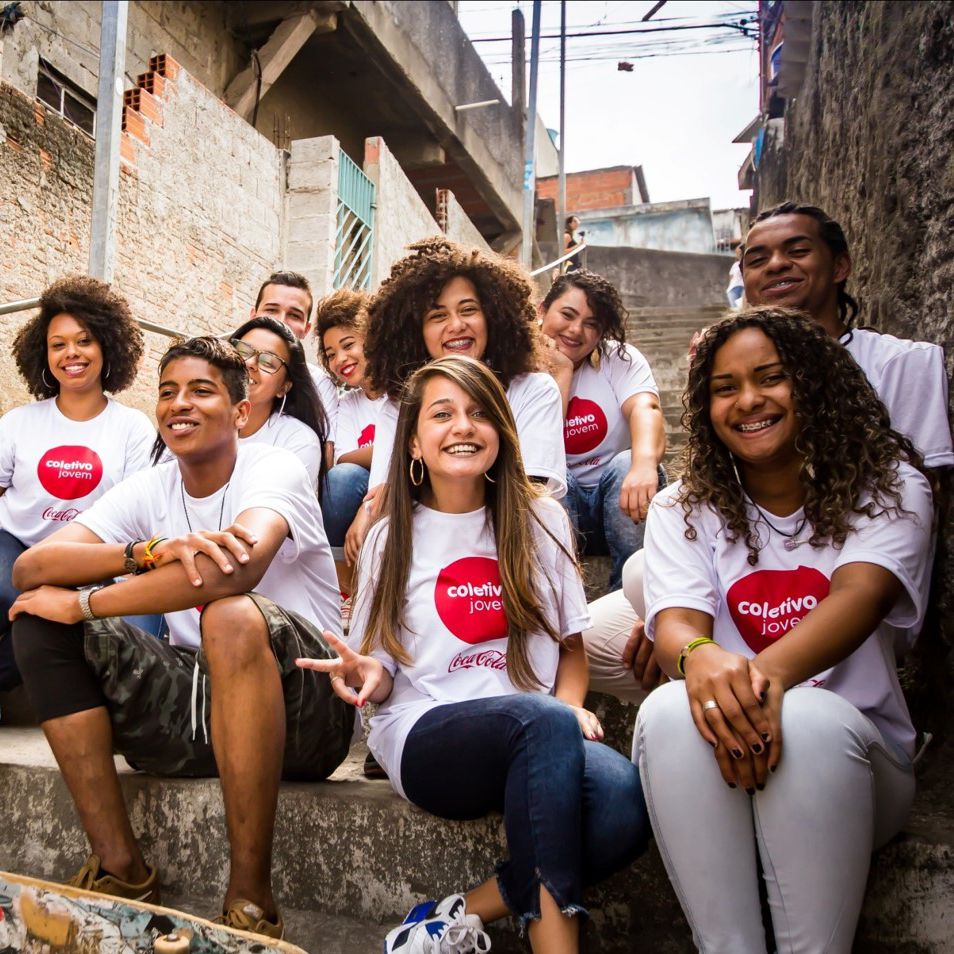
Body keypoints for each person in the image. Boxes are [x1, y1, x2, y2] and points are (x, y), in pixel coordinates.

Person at [297, 355, 648, 953]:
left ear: (502, 433)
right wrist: (364, 673)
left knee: (623, 803)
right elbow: (383, 670)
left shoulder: (542, 519)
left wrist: (571, 707)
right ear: (412, 441)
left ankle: (464, 911)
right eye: (443, 414)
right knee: (538, 719)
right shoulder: (390, 534)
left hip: (536, 732)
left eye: (480, 413)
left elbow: (571, 650)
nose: (463, 426)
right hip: (427, 731)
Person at [10, 336, 353, 941]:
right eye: (167, 392)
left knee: (229, 614)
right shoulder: (154, 486)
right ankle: (122, 871)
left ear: (241, 412)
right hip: (203, 703)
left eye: (201, 390)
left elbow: (235, 570)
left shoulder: (273, 466)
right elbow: (29, 570)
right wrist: (144, 550)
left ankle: (251, 902)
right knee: (37, 618)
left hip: (308, 705)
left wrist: (88, 601)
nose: (178, 405)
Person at [633, 307, 933, 953]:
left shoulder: (890, 485)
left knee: (811, 719)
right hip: (720, 751)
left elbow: (863, 591)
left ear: (815, 382)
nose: (748, 401)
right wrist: (700, 658)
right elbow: (679, 621)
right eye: (724, 388)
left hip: (853, 761)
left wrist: (758, 682)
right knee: (666, 711)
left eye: (771, 378)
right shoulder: (681, 505)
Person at [359, 237, 566, 560]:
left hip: (513, 547)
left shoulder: (534, 390)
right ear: (416, 332)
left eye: (469, 310)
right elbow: (385, 497)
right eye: (437, 316)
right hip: (423, 548)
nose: (456, 325)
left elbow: (531, 493)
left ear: (494, 317)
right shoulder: (398, 406)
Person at [0, 276, 155, 689]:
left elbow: (138, 514)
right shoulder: (18, 422)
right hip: (17, 548)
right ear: (43, 353)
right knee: (21, 600)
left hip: (91, 559)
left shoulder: (133, 428)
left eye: (84, 340)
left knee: (53, 616)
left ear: (107, 345)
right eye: (58, 344)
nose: (71, 353)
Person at [740, 201, 954, 471]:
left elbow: (927, 488)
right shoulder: (736, 383)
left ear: (840, 266)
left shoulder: (901, 364)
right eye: (757, 260)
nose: (777, 264)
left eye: (797, 251)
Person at [539, 270, 666, 590]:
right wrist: (563, 372)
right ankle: (557, 599)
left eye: (591, 324)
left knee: (626, 463)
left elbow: (645, 408)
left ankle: (628, 596)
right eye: (567, 315)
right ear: (542, 310)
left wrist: (643, 465)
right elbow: (542, 447)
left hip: (622, 502)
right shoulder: (515, 367)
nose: (575, 330)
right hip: (560, 509)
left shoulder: (617, 358)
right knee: (551, 477)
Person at [315, 288, 385, 573]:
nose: (340, 359)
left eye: (348, 345)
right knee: (340, 480)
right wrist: (393, 448)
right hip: (362, 490)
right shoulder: (347, 404)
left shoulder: (407, 392)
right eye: (331, 354)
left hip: (404, 488)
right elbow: (342, 460)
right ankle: (342, 582)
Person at [252, 270, 339, 444]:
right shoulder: (220, 365)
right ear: (253, 316)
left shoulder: (320, 385)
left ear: (306, 330)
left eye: (294, 315)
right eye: (271, 309)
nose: (281, 321)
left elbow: (327, 450)